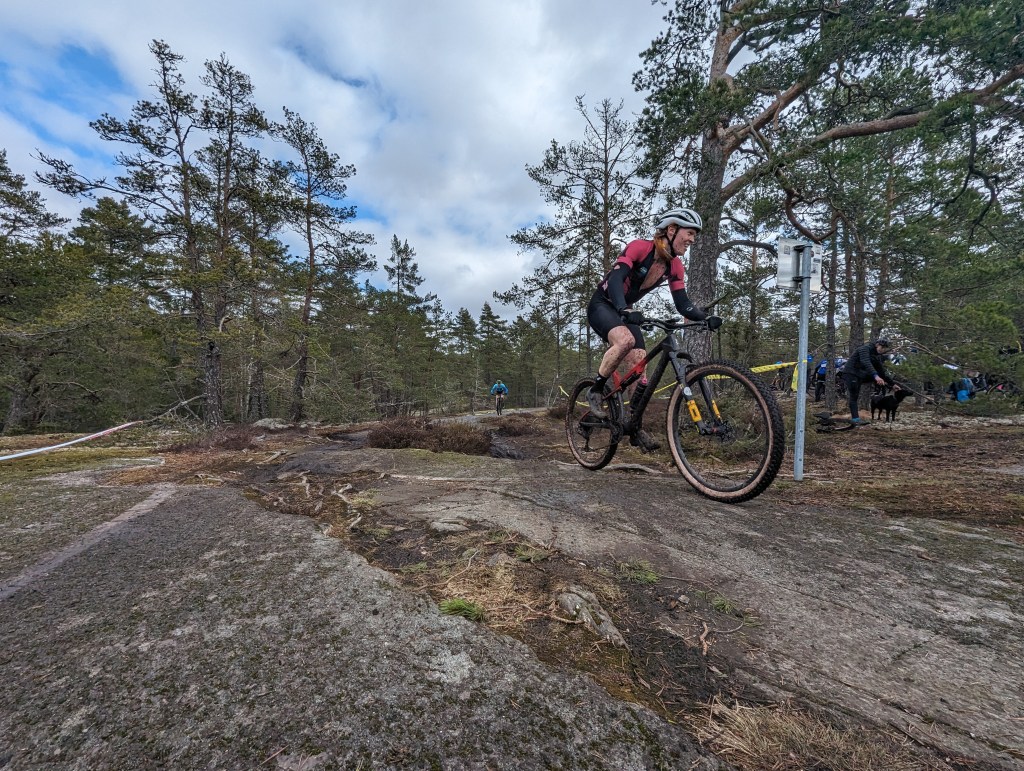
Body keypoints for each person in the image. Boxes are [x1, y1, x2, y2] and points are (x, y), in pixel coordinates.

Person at [585, 207, 722, 452]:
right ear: (671, 230)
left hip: (625, 309)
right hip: (603, 304)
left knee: (640, 365)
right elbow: (615, 279)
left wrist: (705, 318)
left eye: (694, 235)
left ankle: (633, 425)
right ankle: (595, 389)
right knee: (625, 341)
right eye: (689, 233)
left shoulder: (675, 266)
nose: (692, 240)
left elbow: (683, 303)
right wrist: (623, 309)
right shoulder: (640, 247)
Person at [842, 339, 896, 423]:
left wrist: (893, 384)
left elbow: (882, 372)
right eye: (882, 348)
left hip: (860, 375)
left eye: (885, 349)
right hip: (850, 373)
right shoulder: (864, 349)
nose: (883, 350)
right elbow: (865, 362)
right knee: (854, 396)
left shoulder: (876, 356)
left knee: (880, 376)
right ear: (877, 345)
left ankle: (879, 391)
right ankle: (855, 419)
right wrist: (875, 376)